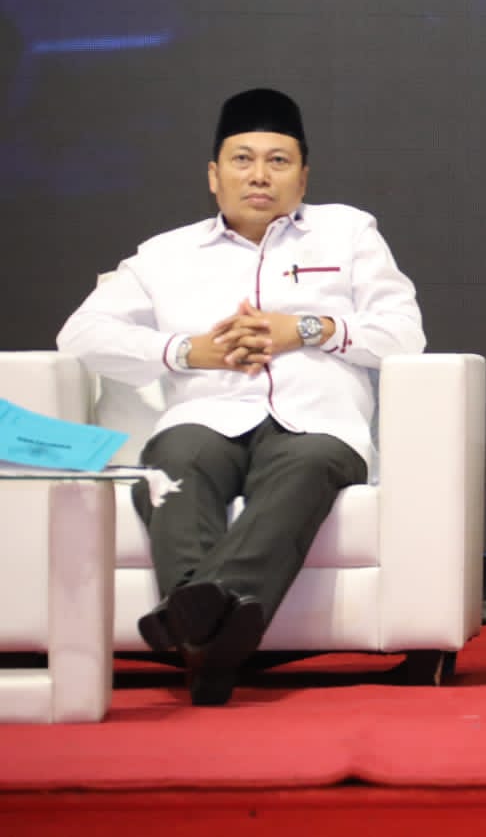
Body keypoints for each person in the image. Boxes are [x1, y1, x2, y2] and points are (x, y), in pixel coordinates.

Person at [57, 87, 426, 706]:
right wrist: (186, 351)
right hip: (206, 414)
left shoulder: (349, 232)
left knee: (306, 466)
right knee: (173, 463)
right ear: (214, 175)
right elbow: (80, 335)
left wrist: (306, 330)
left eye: (278, 161)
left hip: (317, 421)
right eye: (243, 160)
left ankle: (190, 628)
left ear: (303, 176)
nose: (259, 175)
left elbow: (403, 335)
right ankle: (214, 640)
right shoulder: (165, 254)